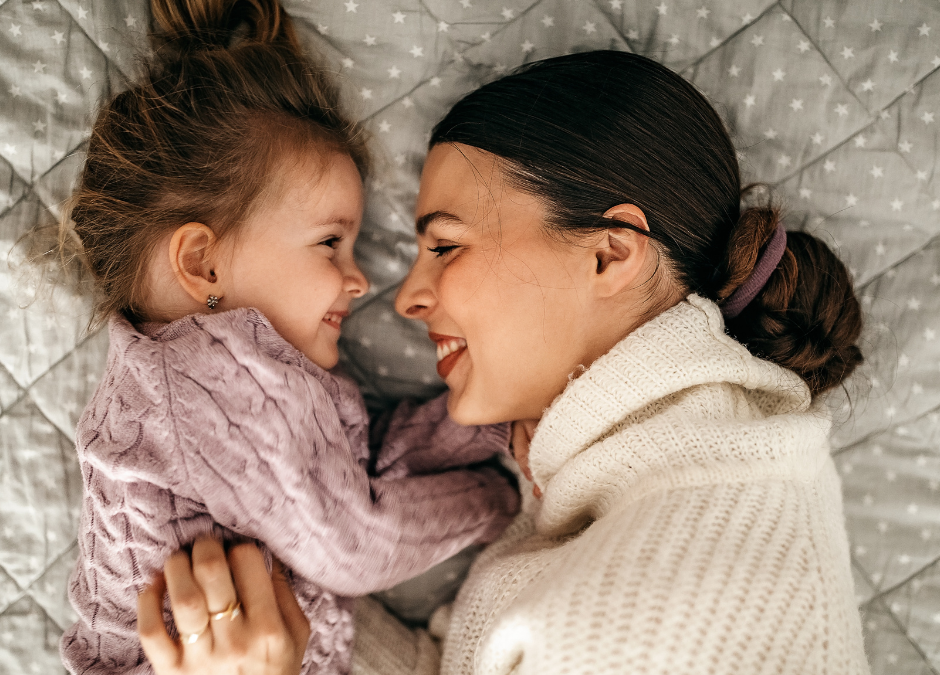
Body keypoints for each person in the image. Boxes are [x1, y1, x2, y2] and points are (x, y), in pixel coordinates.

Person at [137, 50, 871, 674]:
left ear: (608, 254)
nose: (404, 300)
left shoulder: (674, 597)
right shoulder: (678, 477)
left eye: (446, 245)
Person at [59, 1, 520, 673]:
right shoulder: (205, 378)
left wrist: (492, 423)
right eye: (330, 242)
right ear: (202, 263)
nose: (360, 280)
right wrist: (499, 503)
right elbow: (353, 541)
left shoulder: (208, 377)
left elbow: (364, 470)